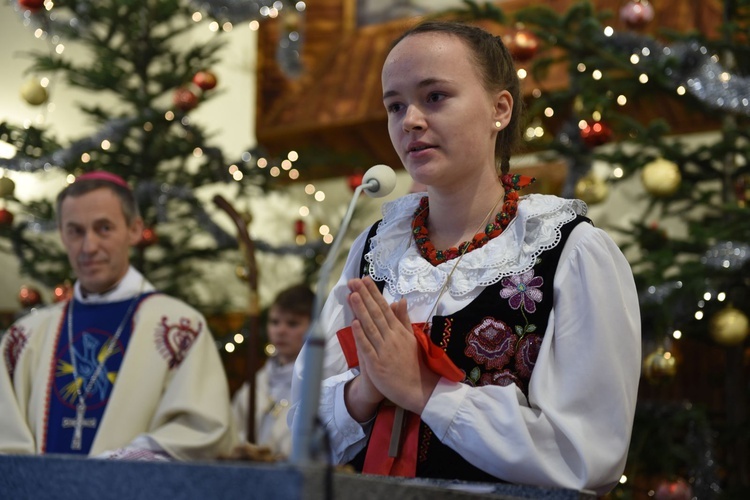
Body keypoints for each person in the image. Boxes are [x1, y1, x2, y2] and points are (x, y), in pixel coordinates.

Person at [289, 20, 641, 495]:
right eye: (395, 105)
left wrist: (424, 391)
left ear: (500, 108)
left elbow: (586, 454)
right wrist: (365, 391)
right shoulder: (375, 250)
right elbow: (302, 432)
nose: (409, 119)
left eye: (434, 96)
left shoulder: (569, 250)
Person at [0, 171, 236, 460]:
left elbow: (199, 431)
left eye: (104, 228)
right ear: (62, 234)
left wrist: (114, 468)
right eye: (75, 231)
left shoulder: (179, 328)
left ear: (135, 230)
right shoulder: (26, 336)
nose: (89, 247)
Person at [231, 284, 314, 458]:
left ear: (313, 327)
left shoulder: (318, 382)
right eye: (274, 322)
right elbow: (233, 429)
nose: (280, 331)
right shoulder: (258, 381)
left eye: (292, 324)